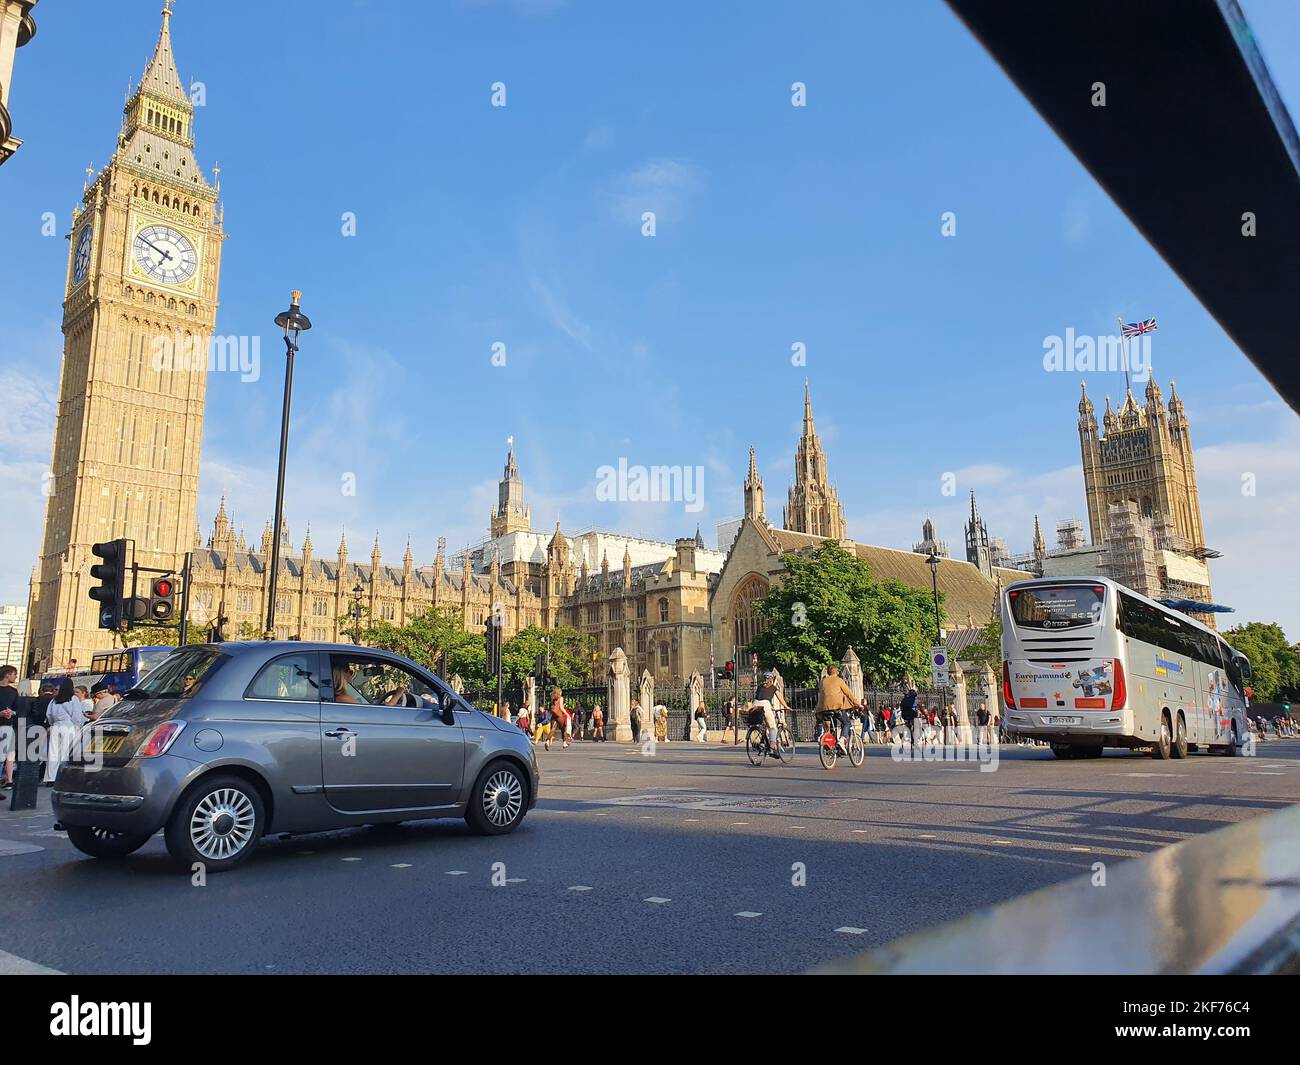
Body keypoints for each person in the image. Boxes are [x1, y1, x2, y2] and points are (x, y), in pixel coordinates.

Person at [44, 678, 87, 784]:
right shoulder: (73, 698)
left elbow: (49, 715)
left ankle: (50, 778)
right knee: (65, 753)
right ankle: (62, 776)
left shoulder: (54, 700)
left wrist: (52, 724)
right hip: (68, 726)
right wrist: (78, 726)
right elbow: (76, 716)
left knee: (53, 753)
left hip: (55, 726)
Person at [816, 664, 859, 754]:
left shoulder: (823, 681)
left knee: (832, 726)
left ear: (828, 672)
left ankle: (830, 743)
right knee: (846, 722)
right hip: (836, 707)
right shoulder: (839, 680)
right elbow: (848, 693)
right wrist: (857, 704)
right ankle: (842, 740)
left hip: (824, 709)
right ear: (836, 672)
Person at [750, 670, 792, 759]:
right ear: (772, 679)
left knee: (764, 724)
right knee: (773, 728)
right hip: (765, 705)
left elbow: (759, 697)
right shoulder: (773, 687)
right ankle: (772, 748)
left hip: (755, 705)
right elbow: (780, 698)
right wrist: (786, 706)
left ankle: (762, 740)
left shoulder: (760, 687)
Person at [0, 664, 19, 789]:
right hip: (4, 725)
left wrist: (12, 713)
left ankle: (9, 780)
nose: (15, 677)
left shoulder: (14, 691)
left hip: (8, 725)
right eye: (14, 674)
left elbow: (18, 710)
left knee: (10, 755)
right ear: (7, 674)